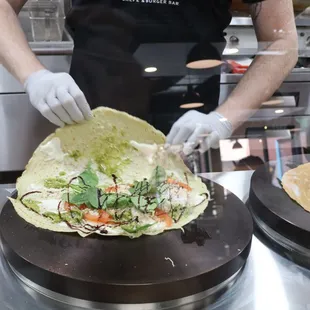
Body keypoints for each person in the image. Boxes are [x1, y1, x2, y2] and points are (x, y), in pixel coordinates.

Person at [0, 0, 298, 154]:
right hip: (87, 123)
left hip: (186, 135)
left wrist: (224, 119)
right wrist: (34, 76)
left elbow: (281, 41)